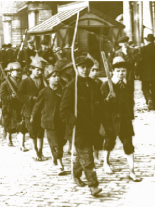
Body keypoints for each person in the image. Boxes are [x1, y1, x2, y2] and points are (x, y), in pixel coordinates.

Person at [60, 56, 103, 196]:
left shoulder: (94, 83)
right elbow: (63, 111)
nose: (85, 70)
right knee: (87, 156)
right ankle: (93, 185)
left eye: (87, 67)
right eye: (81, 67)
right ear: (76, 68)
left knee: (82, 155)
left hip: (91, 127)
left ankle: (76, 173)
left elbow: (98, 102)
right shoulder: (72, 86)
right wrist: (73, 119)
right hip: (78, 129)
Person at [100, 56, 142, 182]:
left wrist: (130, 115)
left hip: (124, 119)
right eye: (118, 71)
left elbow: (130, 102)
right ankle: (105, 163)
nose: (121, 73)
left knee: (128, 144)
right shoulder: (106, 85)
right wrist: (107, 99)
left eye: (123, 71)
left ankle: (132, 171)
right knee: (109, 143)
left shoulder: (127, 85)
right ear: (113, 71)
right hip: (110, 120)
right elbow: (100, 105)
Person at [32, 66, 66, 175]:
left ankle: (55, 156)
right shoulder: (44, 91)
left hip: (61, 121)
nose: (57, 78)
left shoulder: (63, 90)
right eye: (54, 76)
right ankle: (60, 164)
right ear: (48, 79)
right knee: (56, 143)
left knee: (61, 142)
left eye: (58, 76)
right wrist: (33, 115)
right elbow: (37, 105)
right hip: (49, 122)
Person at [17, 56, 46, 160]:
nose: (39, 72)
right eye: (38, 70)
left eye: (41, 70)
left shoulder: (43, 81)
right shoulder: (25, 81)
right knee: (33, 132)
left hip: (41, 111)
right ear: (32, 69)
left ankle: (40, 151)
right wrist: (31, 98)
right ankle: (34, 151)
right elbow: (19, 95)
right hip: (29, 111)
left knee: (41, 132)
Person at [0, 62, 28, 150]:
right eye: (17, 71)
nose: (19, 72)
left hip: (20, 106)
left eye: (20, 71)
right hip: (9, 107)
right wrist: (11, 96)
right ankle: (9, 138)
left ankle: (22, 145)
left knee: (21, 126)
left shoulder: (23, 83)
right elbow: (2, 97)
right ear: (11, 72)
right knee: (9, 126)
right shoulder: (4, 84)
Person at [136, 34, 155, 110]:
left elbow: (139, 62)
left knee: (144, 88)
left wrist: (137, 72)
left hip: (144, 73)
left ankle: (149, 99)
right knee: (154, 89)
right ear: (153, 40)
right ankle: (153, 105)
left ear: (146, 40)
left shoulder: (143, 49)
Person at [88, 57, 104, 164]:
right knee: (88, 135)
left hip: (98, 111)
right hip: (87, 112)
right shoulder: (84, 82)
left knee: (98, 135)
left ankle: (96, 156)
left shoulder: (100, 83)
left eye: (96, 70)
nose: (94, 72)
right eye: (92, 70)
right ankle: (88, 156)